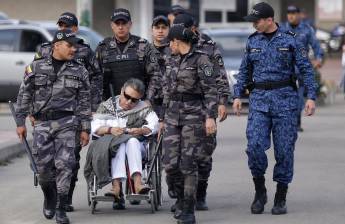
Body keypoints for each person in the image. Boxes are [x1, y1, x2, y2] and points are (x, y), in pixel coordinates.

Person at [233, 2, 317, 215]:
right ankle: (260, 191)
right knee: (254, 146)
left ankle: (281, 195)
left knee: (284, 151)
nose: (254, 24)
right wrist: (236, 95)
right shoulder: (252, 41)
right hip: (259, 101)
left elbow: (306, 69)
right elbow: (244, 71)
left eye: (257, 20)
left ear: (269, 20)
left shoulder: (290, 40)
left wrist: (311, 97)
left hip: (286, 103)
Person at [15, 30, 91, 224]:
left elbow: (84, 101)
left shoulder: (79, 70)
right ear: (57, 45)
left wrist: (85, 128)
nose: (74, 49)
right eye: (69, 45)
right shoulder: (36, 67)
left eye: (75, 46)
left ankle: (60, 207)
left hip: (68, 123)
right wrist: (20, 122)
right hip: (42, 124)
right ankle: (50, 196)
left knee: (65, 165)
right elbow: (24, 95)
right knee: (43, 170)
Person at [33, 12, 101, 212]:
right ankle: (52, 197)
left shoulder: (85, 51)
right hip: (46, 113)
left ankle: (65, 198)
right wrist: (33, 110)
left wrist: (92, 107)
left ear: (75, 29)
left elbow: (96, 78)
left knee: (70, 159)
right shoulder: (45, 50)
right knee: (47, 163)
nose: (64, 29)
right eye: (61, 25)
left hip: (73, 113)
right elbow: (31, 81)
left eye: (68, 26)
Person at [172, 13, 230, 211]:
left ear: (193, 28)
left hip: (203, 108)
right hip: (178, 112)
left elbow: (219, 76)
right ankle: (182, 198)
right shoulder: (174, 45)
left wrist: (221, 102)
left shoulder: (208, 46)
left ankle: (200, 192)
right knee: (179, 158)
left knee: (203, 155)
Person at [160, 24, 218, 224]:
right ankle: (180, 197)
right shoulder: (170, 59)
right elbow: (165, 90)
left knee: (188, 163)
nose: (169, 45)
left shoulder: (202, 59)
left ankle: (188, 209)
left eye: (171, 42)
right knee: (169, 164)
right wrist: (161, 118)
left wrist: (210, 117)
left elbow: (211, 90)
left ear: (177, 41)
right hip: (172, 115)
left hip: (194, 115)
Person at [91, 78, 159, 209]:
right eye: (127, 96)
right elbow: (95, 128)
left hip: (138, 147)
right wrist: (110, 130)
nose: (129, 102)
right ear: (122, 90)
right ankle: (116, 187)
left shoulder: (144, 108)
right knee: (120, 144)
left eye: (134, 100)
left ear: (139, 99)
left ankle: (138, 184)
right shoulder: (106, 106)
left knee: (131, 140)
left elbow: (154, 124)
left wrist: (141, 130)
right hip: (111, 146)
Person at [95, 8, 161, 102]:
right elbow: (95, 78)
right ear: (112, 25)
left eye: (124, 23)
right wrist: (99, 103)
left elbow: (155, 75)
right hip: (111, 105)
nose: (121, 27)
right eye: (117, 24)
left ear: (130, 24)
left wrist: (148, 100)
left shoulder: (143, 46)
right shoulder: (103, 48)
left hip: (138, 104)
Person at [281, 5, 323, 132]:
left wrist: (318, 58)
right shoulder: (282, 29)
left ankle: (296, 122)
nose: (291, 16)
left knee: (298, 97)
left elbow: (316, 45)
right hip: (285, 69)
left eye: (294, 13)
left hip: (300, 69)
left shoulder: (306, 29)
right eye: (289, 13)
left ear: (299, 14)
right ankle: (285, 122)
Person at [150, 15, 171, 116]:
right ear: (152, 30)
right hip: (151, 103)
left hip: (172, 104)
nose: (160, 31)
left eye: (164, 27)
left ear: (169, 30)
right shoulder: (144, 51)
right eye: (157, 28)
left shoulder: (175, 51)